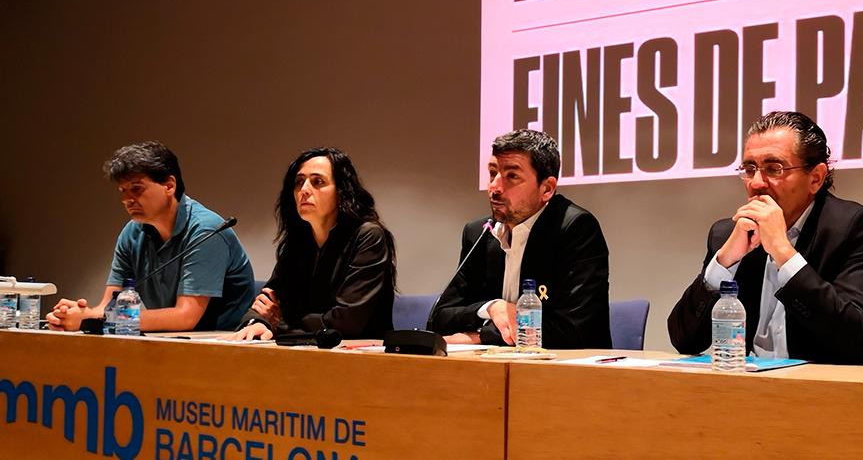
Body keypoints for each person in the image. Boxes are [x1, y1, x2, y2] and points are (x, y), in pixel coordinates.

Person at [667, 111, 863, 363]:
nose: (757, 183)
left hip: (826, 389)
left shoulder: (851, 226)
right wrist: (724, 262)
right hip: (749, 388)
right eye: (750, 169)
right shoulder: (728, 234)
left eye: (774, 168)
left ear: (816, 177)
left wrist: (784, 253)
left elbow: (857, 338)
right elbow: (684, 340)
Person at [429, 129, 611, 348]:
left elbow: (571, 330)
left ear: (547, 189)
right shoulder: (479, 232)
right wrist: (492, 308)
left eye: (512, 176)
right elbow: (439, 318)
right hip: (490, 370)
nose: (495, 187)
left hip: (566, 370)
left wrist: (481, 337)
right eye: (492, 173)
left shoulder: (574, 229)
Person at [47, 141, 255, 332]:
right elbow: (108, 306)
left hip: (224, 343)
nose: (127, 200)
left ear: (169, 186)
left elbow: (185, 317)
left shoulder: (206, 230)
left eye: (137, 189)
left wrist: (91, 319)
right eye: (123, 191)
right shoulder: (132, 232)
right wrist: (79, 315)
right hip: (172, 341)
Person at [229, 148, 396, 340]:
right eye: (299, 182)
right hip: (306, 349)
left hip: (362, 357)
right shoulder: (299, 240)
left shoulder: (368, 236)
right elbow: (268, 298)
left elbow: (345, 322)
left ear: (341, 191)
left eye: (318, 182)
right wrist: (258, 323)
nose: (304, 190)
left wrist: (280, 323)